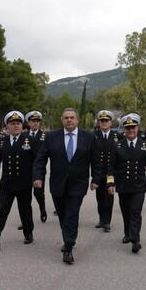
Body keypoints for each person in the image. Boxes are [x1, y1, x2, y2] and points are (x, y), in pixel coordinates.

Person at [33, 108, 101, 264]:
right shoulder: (51, 137)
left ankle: (68, 248)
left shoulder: (89, 137)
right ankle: (69, 238)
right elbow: (40, 159)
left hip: (78, 183)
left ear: (77, 120)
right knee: (63, 215)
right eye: (66, 118)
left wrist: (96, 178)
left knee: (71, 214)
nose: (69, 120)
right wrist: (37, 176)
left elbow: (96, 161)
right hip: (58, 184)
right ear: (62, 120)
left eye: (72, 117)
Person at [0, 111, 38, 251]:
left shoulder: (30, 141)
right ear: (7, 126)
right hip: (7, 183)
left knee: (25, 210)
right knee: (2, 211)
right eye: (12, 124)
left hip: (24, 183)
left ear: (22, 125)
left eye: (18, 124)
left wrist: (36, 178)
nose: (16, 126)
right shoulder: (1, 142)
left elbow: (37, 162)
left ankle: (28, 233)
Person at [107, 113, 146, 253]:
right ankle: (127, 233)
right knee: (126, 212)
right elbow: (112, 167)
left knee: (135, 212)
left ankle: (135, 240)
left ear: (137, 128)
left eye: (133, 127)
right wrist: (110, 184)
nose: (131, 130)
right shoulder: (118, 145)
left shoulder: (145, 145)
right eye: (128, 128)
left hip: (139, 186)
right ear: (124, 130)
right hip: (123, 185)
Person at [94, 110, 117, 233]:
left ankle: (107, 221)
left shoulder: (117, 136)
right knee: (99, 197)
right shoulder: (94, 136)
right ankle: (101, 218)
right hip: (98, 171)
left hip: (110, 172)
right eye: (101, 121)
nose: (103, 123)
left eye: (106, 121)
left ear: (110, 123)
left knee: (109, 196)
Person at [25, 111, 48, 223]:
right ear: (28, 123)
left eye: (37, 121)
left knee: (38, 193)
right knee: (25, 196)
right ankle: (25, 218)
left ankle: (42, 210)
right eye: (33, 121)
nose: (35, 123)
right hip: (25, 170)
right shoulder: (23, 135)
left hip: (39, 170)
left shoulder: (44, 136)